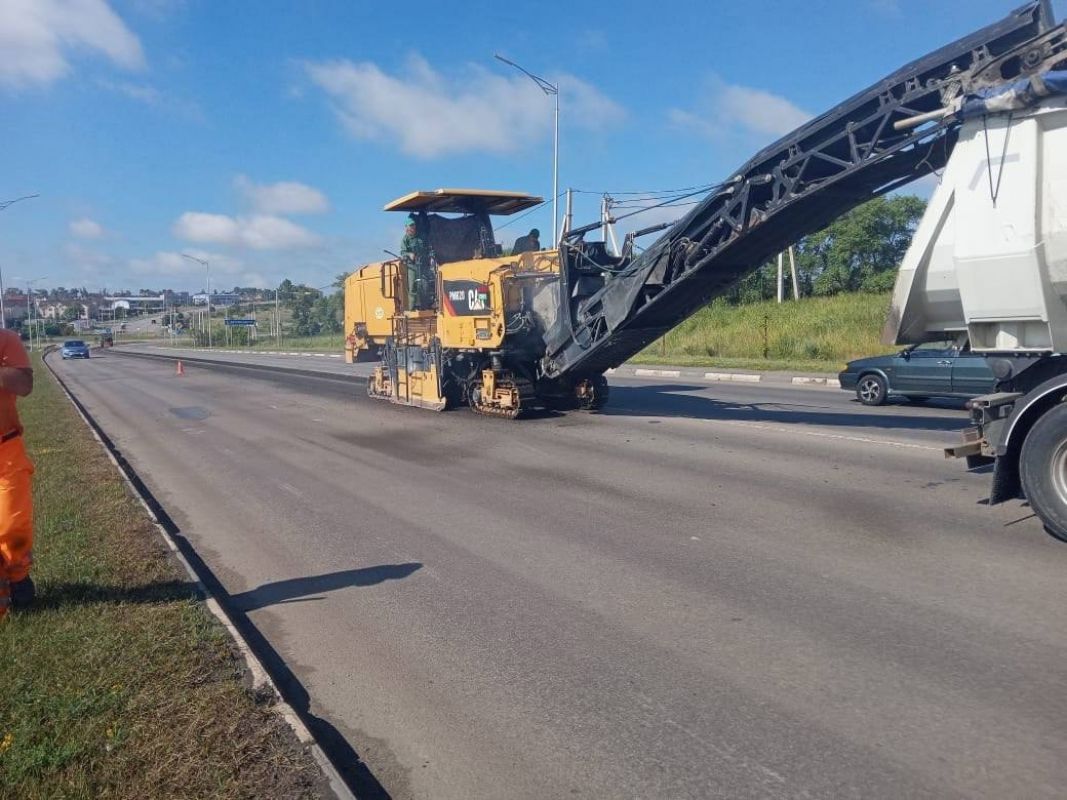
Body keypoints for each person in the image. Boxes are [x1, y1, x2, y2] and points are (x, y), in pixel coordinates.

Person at [0, 328, 35, 619]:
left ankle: (18, 578)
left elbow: (24, 384)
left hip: (5, 448)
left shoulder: (6, 340)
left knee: (12, 525)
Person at [400, 215, 430, 310]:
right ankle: (411, 309)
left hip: (423, 265)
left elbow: (427, 248)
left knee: (424, 286)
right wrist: (409, 254)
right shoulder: (405, 240)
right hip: (411, 267)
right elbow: (402, 253)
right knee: (412, 287)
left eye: (413, 225)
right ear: (406, 227)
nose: (412, 227)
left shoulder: (421, 237)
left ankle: (425, 307)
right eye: (410, 226)